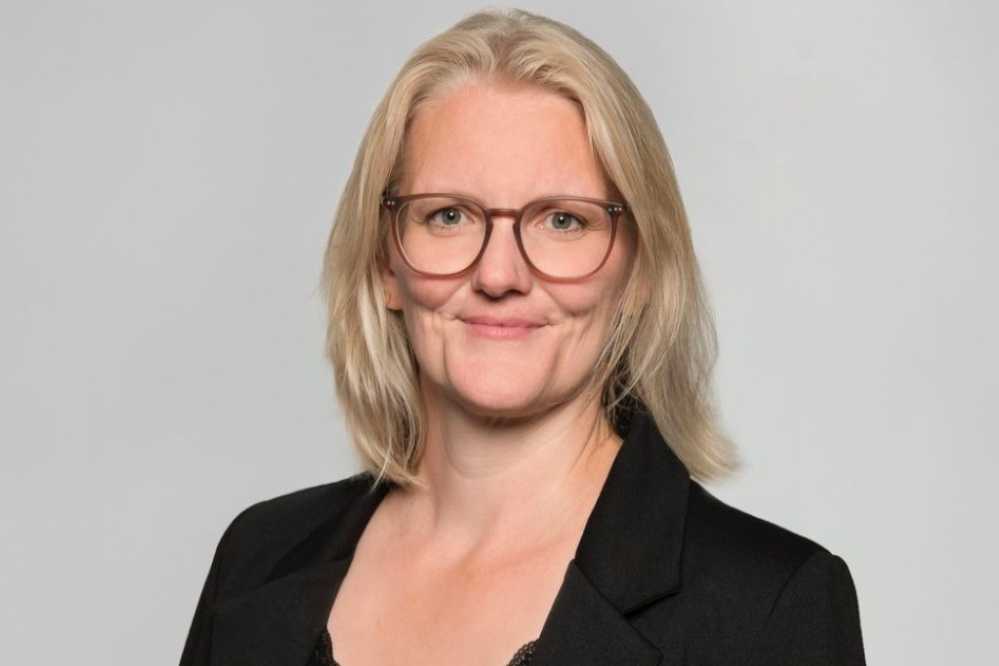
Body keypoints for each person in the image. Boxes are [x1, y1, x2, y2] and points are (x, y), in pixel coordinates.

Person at [180, 8, 866, 665]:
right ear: (385, 262)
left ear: (640, 270)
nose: (498, 274)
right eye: (448, 215)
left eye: (562, 220)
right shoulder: (258, 558)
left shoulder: (768, 605)